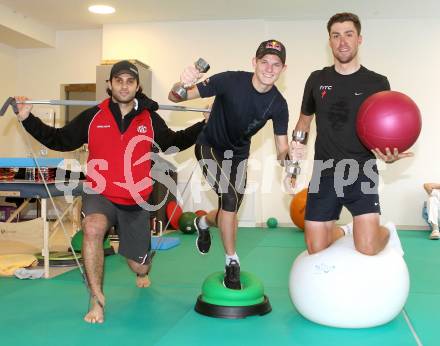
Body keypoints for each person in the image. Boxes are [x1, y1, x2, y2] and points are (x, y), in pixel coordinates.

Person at [15, 60, 207, 324]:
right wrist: (27, 118)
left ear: (137, 86)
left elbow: (174, 142)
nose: (124, 85)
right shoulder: (93, 116)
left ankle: (139, 267)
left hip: (136, 201)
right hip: (100, 194)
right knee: (92, 227)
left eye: (130, 81)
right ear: (110, 84)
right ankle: (96, 298)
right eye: (119, 80)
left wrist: (204, 124)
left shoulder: (150, 119)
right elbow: (59, 139)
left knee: (140, 265)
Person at [168, 40, 291, 289]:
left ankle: (203, 222)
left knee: (229, 209)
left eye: (275, 64)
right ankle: (231, 262)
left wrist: (292, 161)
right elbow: (177, 96)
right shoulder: (229, 80)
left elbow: (282, 150)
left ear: (283, 68)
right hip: (209, 146)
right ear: (254, 62)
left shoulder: (279, 105)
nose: (269, 68)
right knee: (231, 201)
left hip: (238, 157)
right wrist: (183, 81)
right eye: (264, 62)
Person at [290, 13, 413, 256]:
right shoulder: (317, 79)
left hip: (362, 170)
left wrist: (388, 155)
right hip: (324, 171)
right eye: (336, 36)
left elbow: (384, 129)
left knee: (367, 246)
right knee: (316, 247)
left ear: (359, 39)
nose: (342, 41)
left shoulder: (377, 82)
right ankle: (346, 230)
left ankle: (386, 231)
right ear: (329, 41)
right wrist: (292, 165)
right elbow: (303, 123)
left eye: (349, 34)